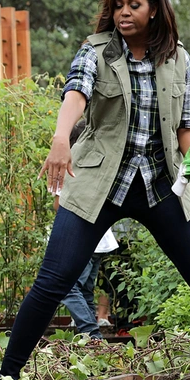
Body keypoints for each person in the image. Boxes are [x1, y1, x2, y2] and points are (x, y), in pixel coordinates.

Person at [0, 0, 190, 380]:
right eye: (118, 5)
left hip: (163, 186)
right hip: (99, 184)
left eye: (133, 5)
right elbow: (76, 95)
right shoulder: (96, 51)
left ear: (154, 10)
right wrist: (60, 138)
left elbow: (188, 126)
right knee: (53, 280)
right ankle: (5, 378)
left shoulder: (179, 58)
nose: (123, 13)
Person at [58, 120, 119, 340]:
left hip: (80, 238)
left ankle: (91, 333)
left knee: (68, 286)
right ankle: (88, 338)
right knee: (84, 289)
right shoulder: (101, 166)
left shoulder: (68, 166)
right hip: (101, 241)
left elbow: (59, 205)